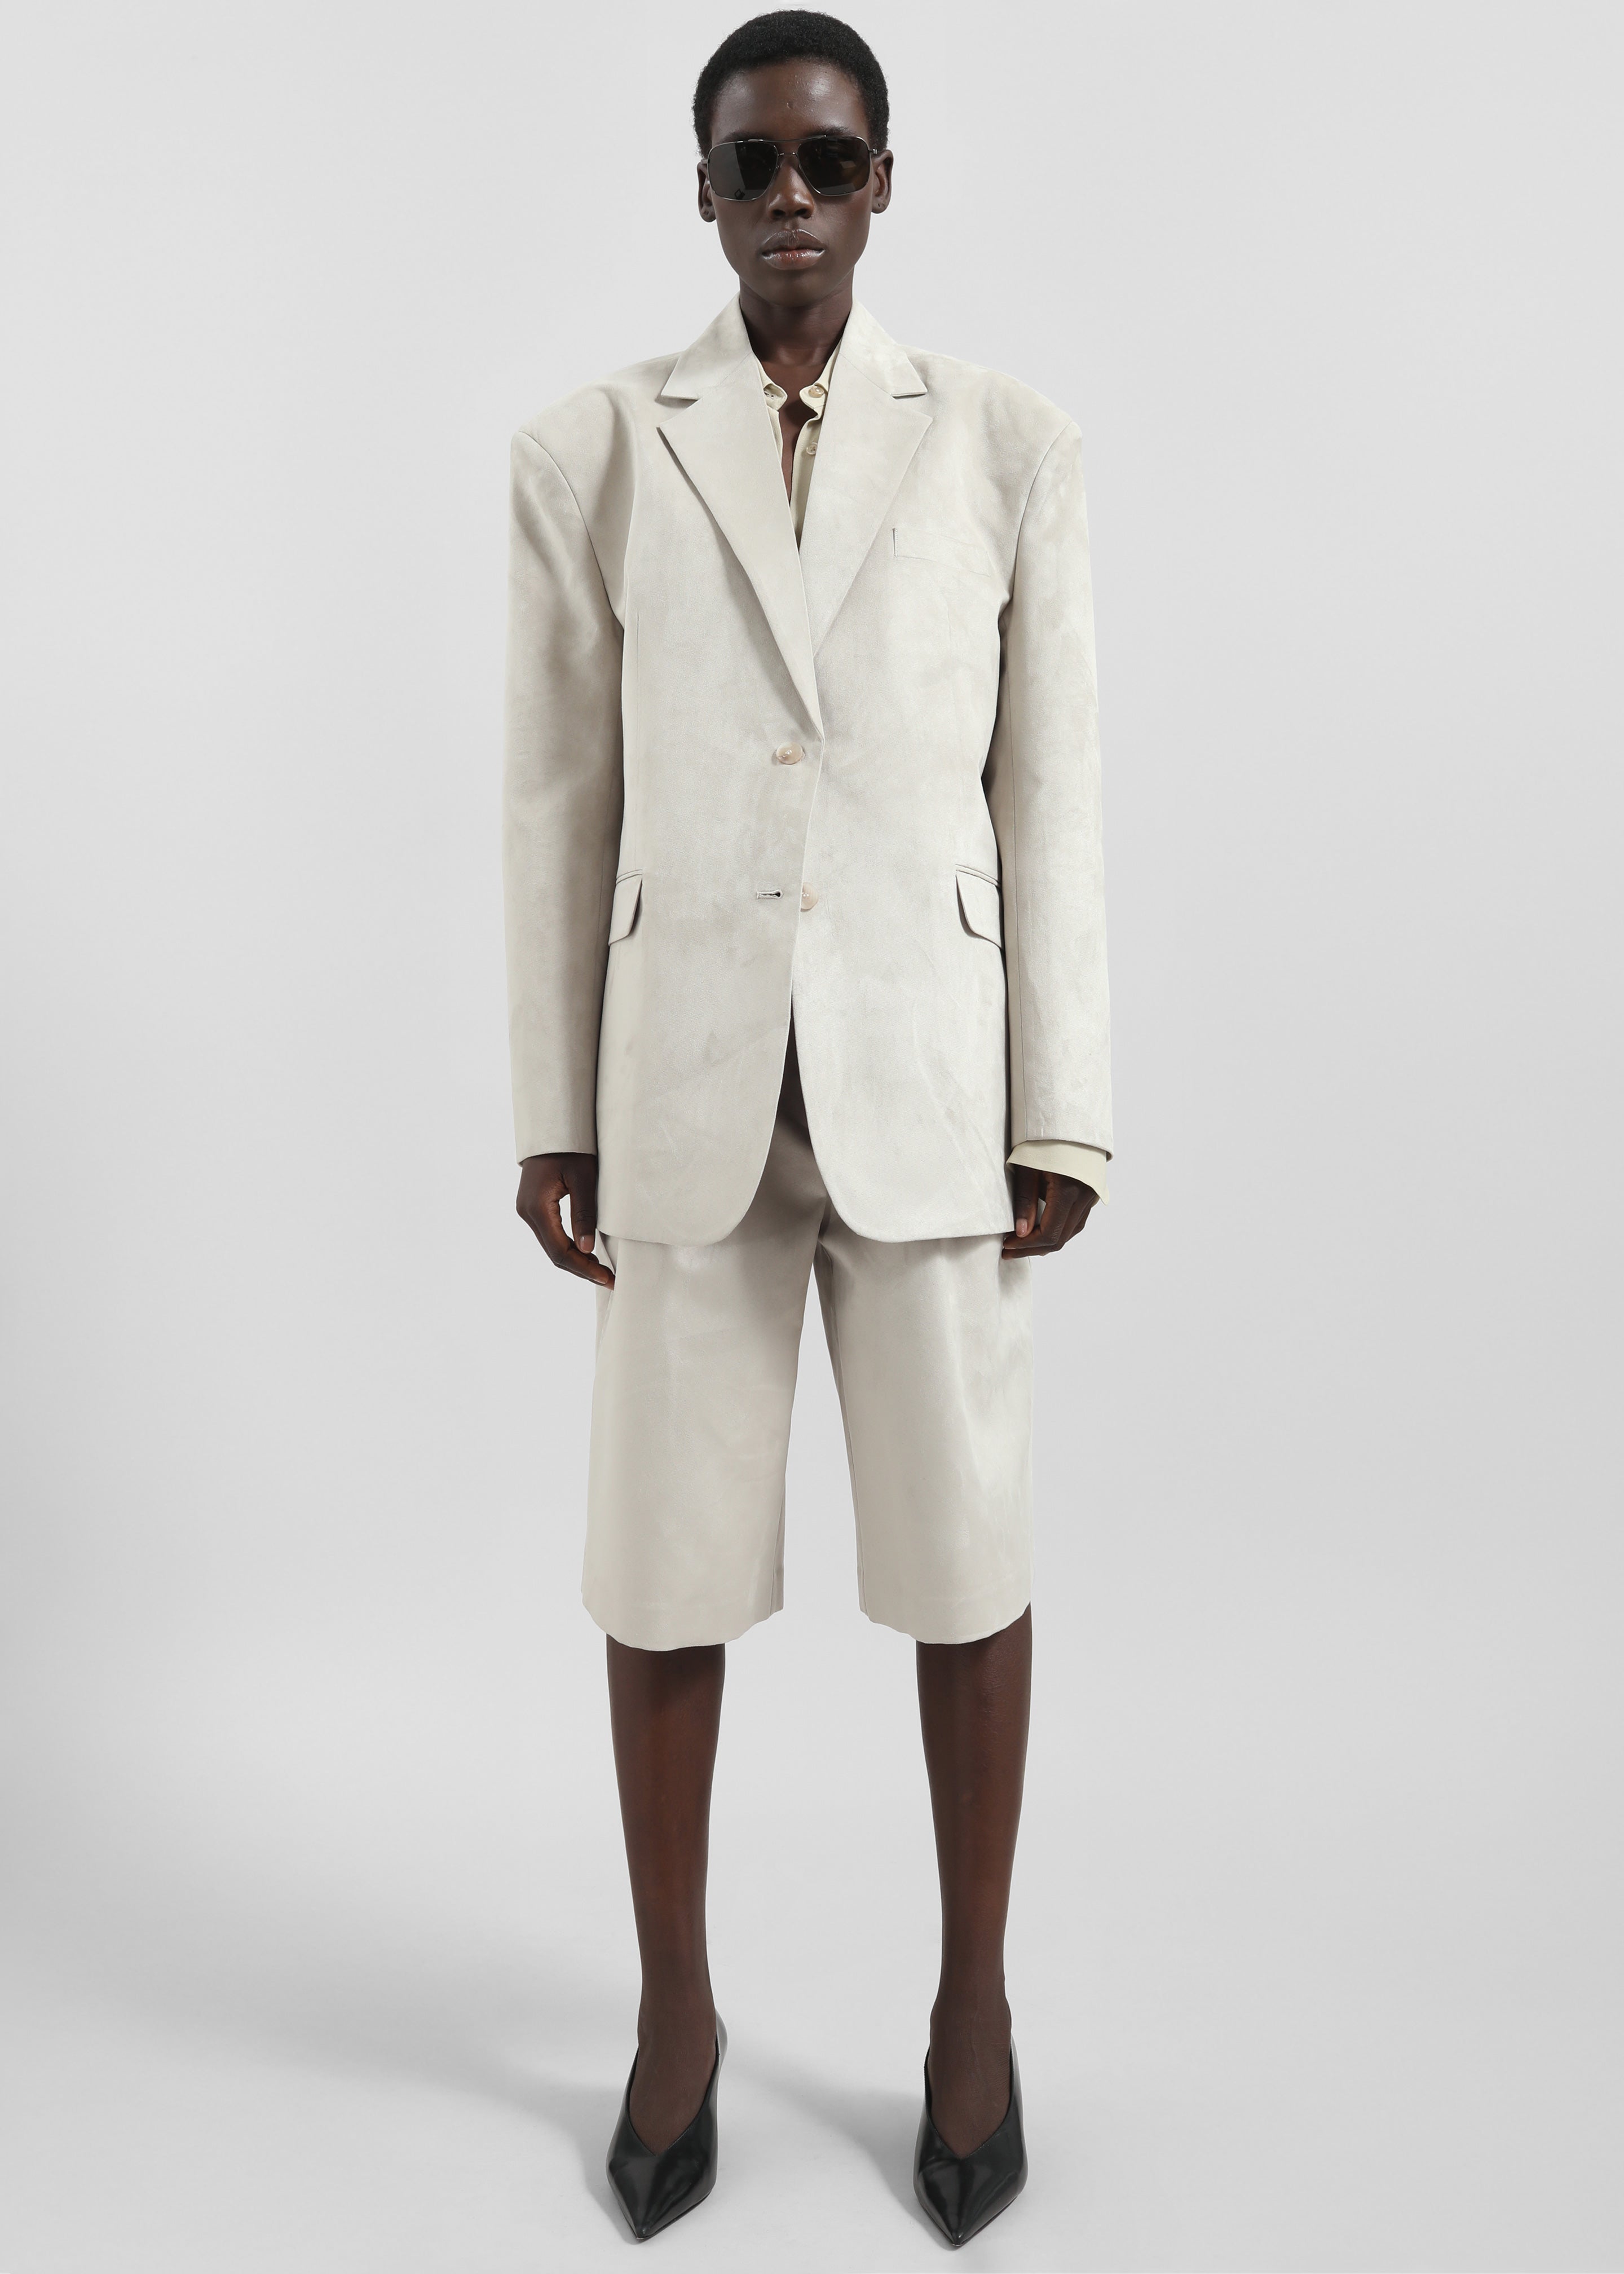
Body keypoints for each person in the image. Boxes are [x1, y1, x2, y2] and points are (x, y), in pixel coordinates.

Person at [503, 8, 1110, 2245]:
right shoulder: (589, 451)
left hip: (930, 1080)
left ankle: (974, 2009)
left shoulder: (1010, 443)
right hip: (680, 1084)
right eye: (751, 164)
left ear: (882, 182)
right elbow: (554, 796)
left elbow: (1052, 789)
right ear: (700, 190)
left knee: (967, 1558)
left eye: (826, 162)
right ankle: (677, 2015)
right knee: (661, 1567)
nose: (789, 200)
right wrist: (548, 1104)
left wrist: (1070, 1101)